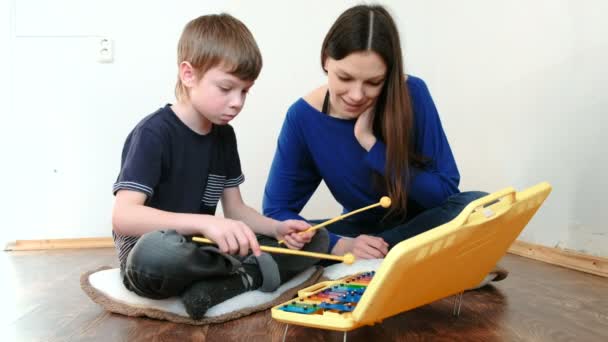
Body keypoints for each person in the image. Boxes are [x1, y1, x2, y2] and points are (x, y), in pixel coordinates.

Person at [111, 13, 328, 319]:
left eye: (245, 91)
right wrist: (204, 224)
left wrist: (278, 228)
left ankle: (230, 280)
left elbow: (236, 211)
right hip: (154, 257)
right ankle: (244, 272)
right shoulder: (153, 134)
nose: (237, 102)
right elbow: (124, 217)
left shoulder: (223, 136)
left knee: (316, 237)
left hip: (206, 250)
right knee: (158, 254)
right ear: (188, 75)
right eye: (226, 88)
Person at [263, 5, 489, 261]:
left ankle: (382, 256)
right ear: (326, 59)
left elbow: (445, 195)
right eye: (345, 78)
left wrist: (371, 144)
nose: (357, 95)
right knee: (268, 237)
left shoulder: (413, 93)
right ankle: (393, 258)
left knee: (482, 205)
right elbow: (277, 210)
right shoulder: (302, 117)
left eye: (373, 83)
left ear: (389, 75)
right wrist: (341, 245)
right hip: (360, 233)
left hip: (424, 224)